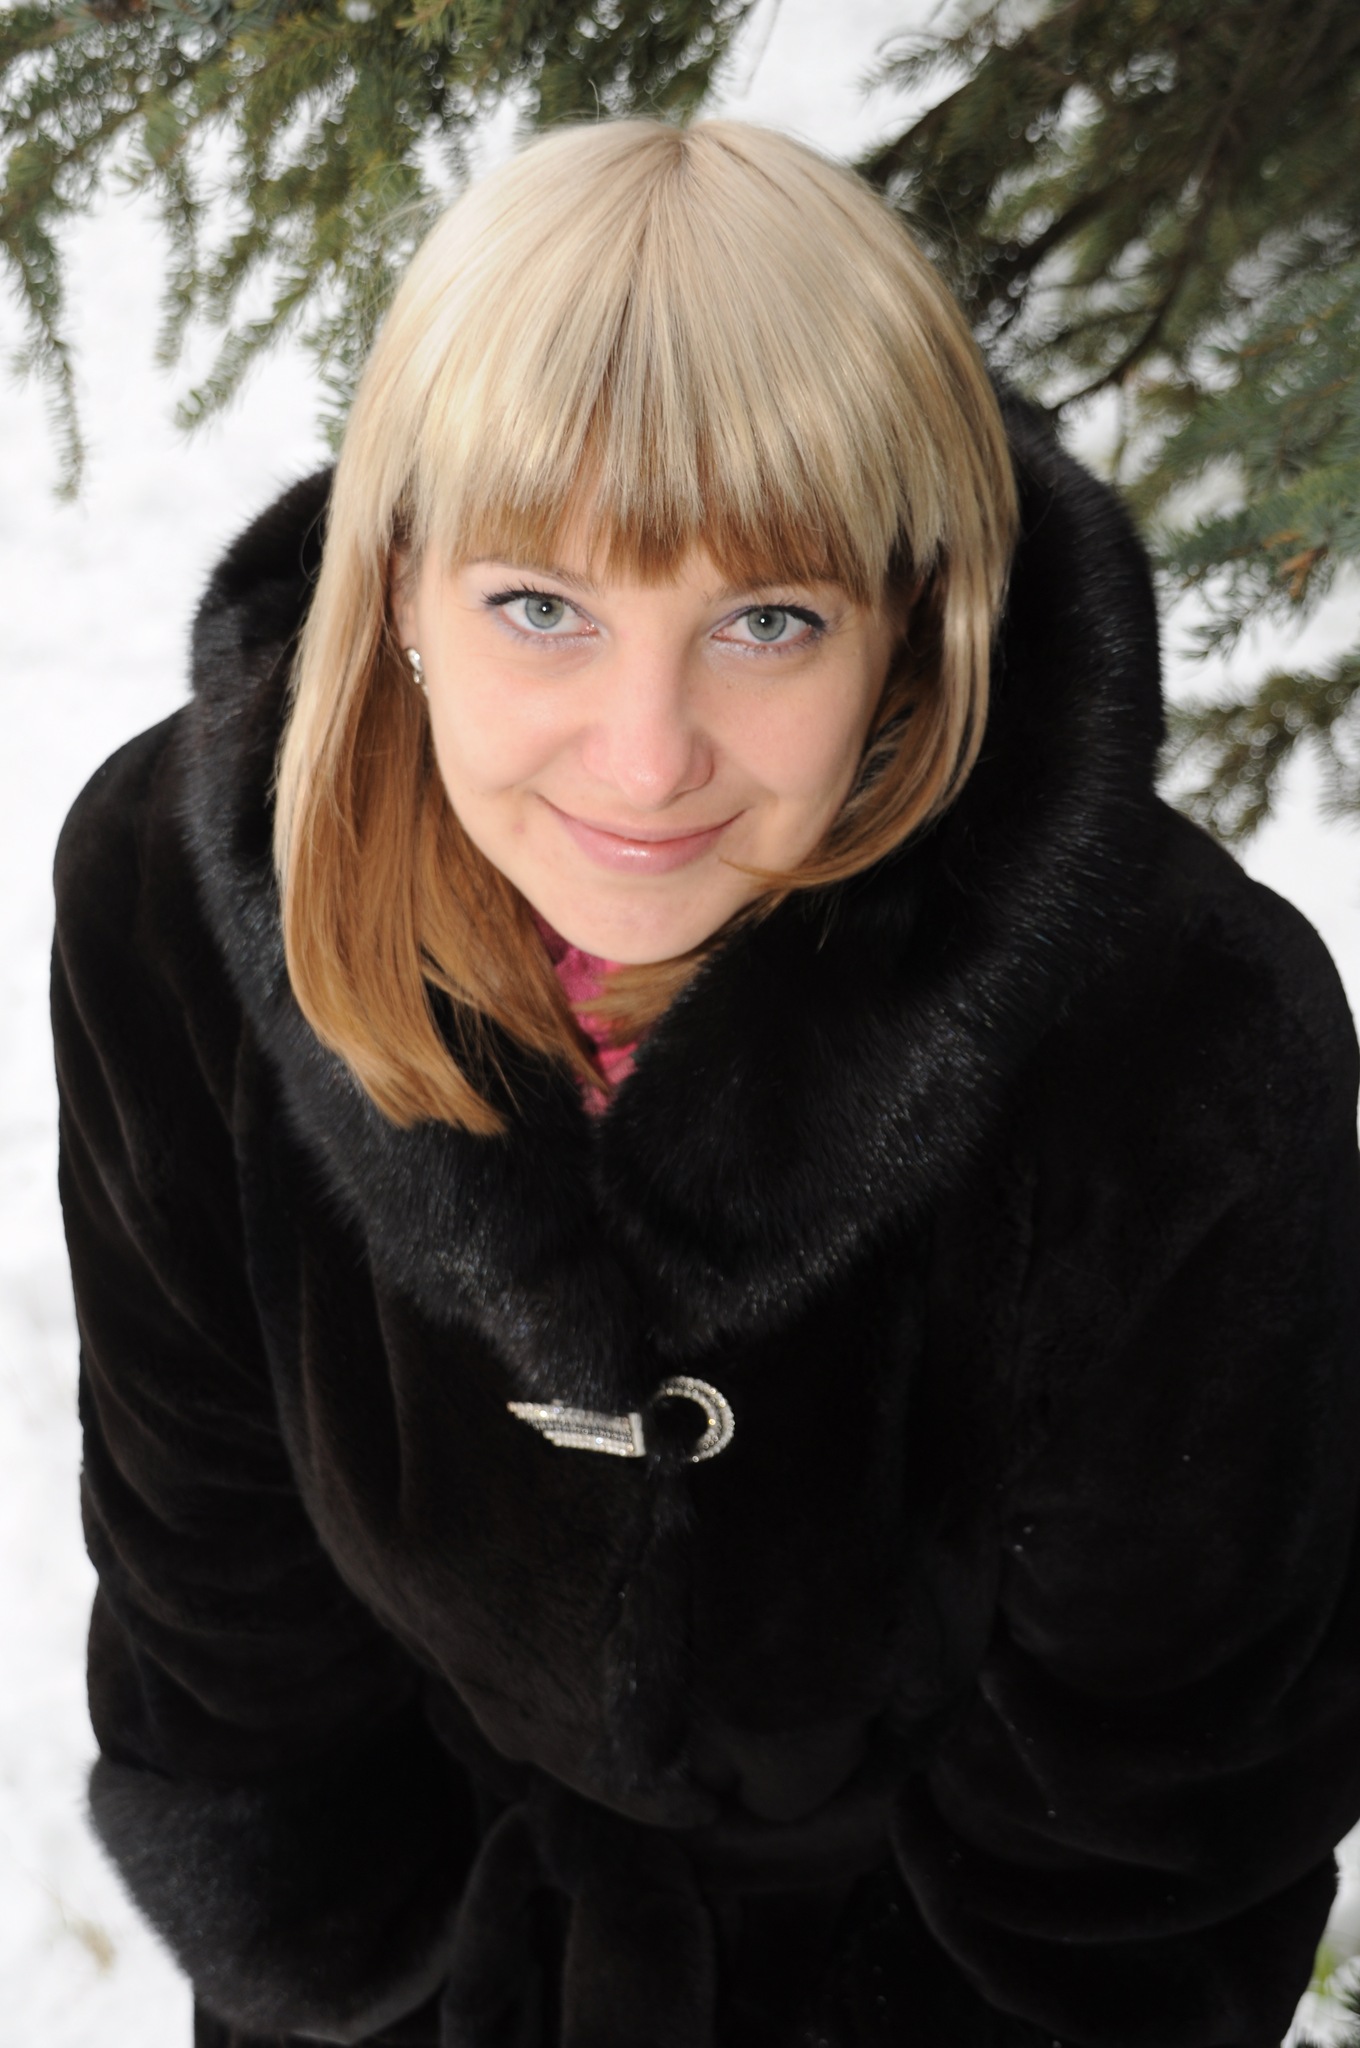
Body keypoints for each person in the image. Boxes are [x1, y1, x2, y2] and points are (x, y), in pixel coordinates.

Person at [52, 117, 1360, 2048]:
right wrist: (332, 1940)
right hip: (429, 1921)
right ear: (397, 584)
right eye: (541, 607)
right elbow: (208, 1542)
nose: (648, 757)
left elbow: (1155, 1784)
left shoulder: (1181, 1031)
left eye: (768, 621)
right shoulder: (173, 890)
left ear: (909, 629)